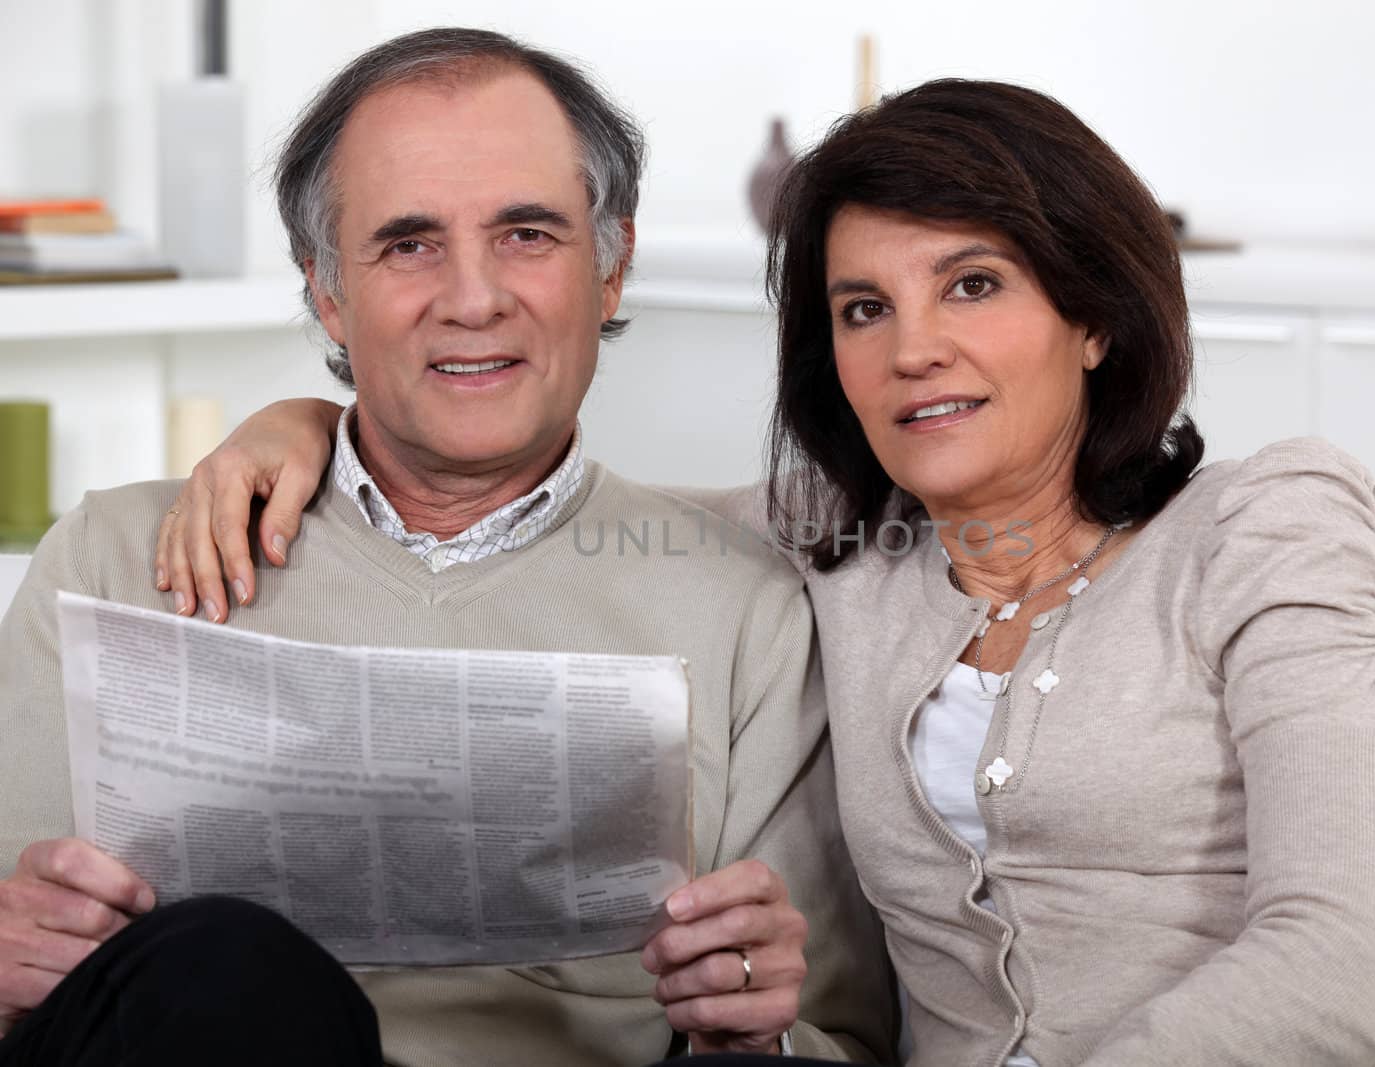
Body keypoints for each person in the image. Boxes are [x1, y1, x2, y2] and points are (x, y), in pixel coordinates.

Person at [151, 78, 1375, 1065]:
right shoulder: (849, 541)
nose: (913, 350)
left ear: (1094, 315)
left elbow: (1328, 968)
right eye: (862, 307)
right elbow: (528, 490)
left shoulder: (1269, 525)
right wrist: (315, 425)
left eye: (972, 284)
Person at [0, 28, 893, 1067]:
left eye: (526, 234)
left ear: (612, 268)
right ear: (328, 290)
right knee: (227, 967)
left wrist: (755, 1017)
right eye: (409, 242)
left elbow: (838, 1036)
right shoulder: (119, 557)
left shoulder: (747, 606)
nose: (473, 298)